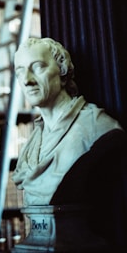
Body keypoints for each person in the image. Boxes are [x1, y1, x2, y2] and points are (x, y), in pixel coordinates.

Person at [12, 37, 127, 251]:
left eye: (37, 67)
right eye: (20, 71)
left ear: (63, 73)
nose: (27, 80)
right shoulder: (32, 143)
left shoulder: (95, 126)